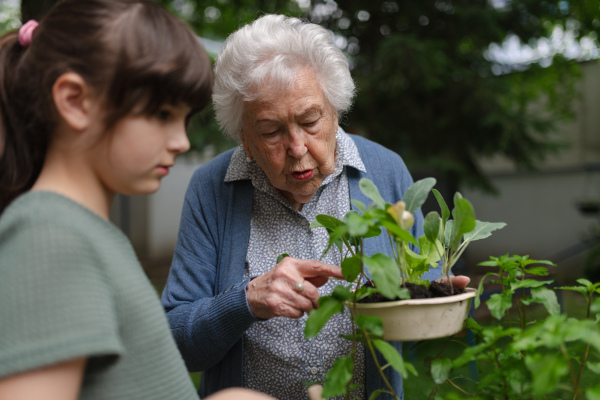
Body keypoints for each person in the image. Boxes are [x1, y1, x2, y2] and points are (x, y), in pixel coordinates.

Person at [161, 14, 470, 400]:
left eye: (310, 121)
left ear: (335, 109)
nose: (297, 147)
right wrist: (246, 300)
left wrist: (438, 296)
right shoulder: (212, 189)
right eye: (271, 131)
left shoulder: (385, 171)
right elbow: (174, 339)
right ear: (243, 137)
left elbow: (421, 294)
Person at [0, 1, 273, 400]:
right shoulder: (50, 236)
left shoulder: (86, 232)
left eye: (184, 119)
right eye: (162, 113)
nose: (181, 142)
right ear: (75, 101)